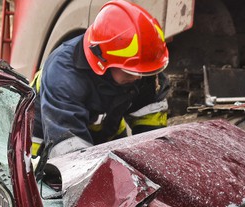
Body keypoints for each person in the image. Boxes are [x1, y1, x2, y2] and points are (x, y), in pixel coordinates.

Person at [32, 0, 170, 158]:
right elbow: (71, 157)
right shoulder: (63, 75)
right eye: (128, 71)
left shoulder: (138, 65)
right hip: (42, 143)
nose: (138, 77)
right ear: (102, 62)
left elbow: (151, 124)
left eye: (143, 72)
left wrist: (153, 158)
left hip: (104, 133)